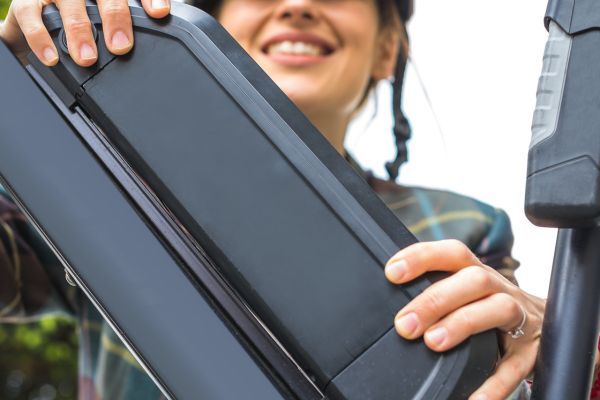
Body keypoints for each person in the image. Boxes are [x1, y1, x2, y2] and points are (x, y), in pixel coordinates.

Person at [0, 0, 546, 399]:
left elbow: (506, 370)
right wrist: (11, 88)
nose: (299, 6)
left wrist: (546, 345)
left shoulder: (463, 226)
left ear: (387, 50)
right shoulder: (95, 181)